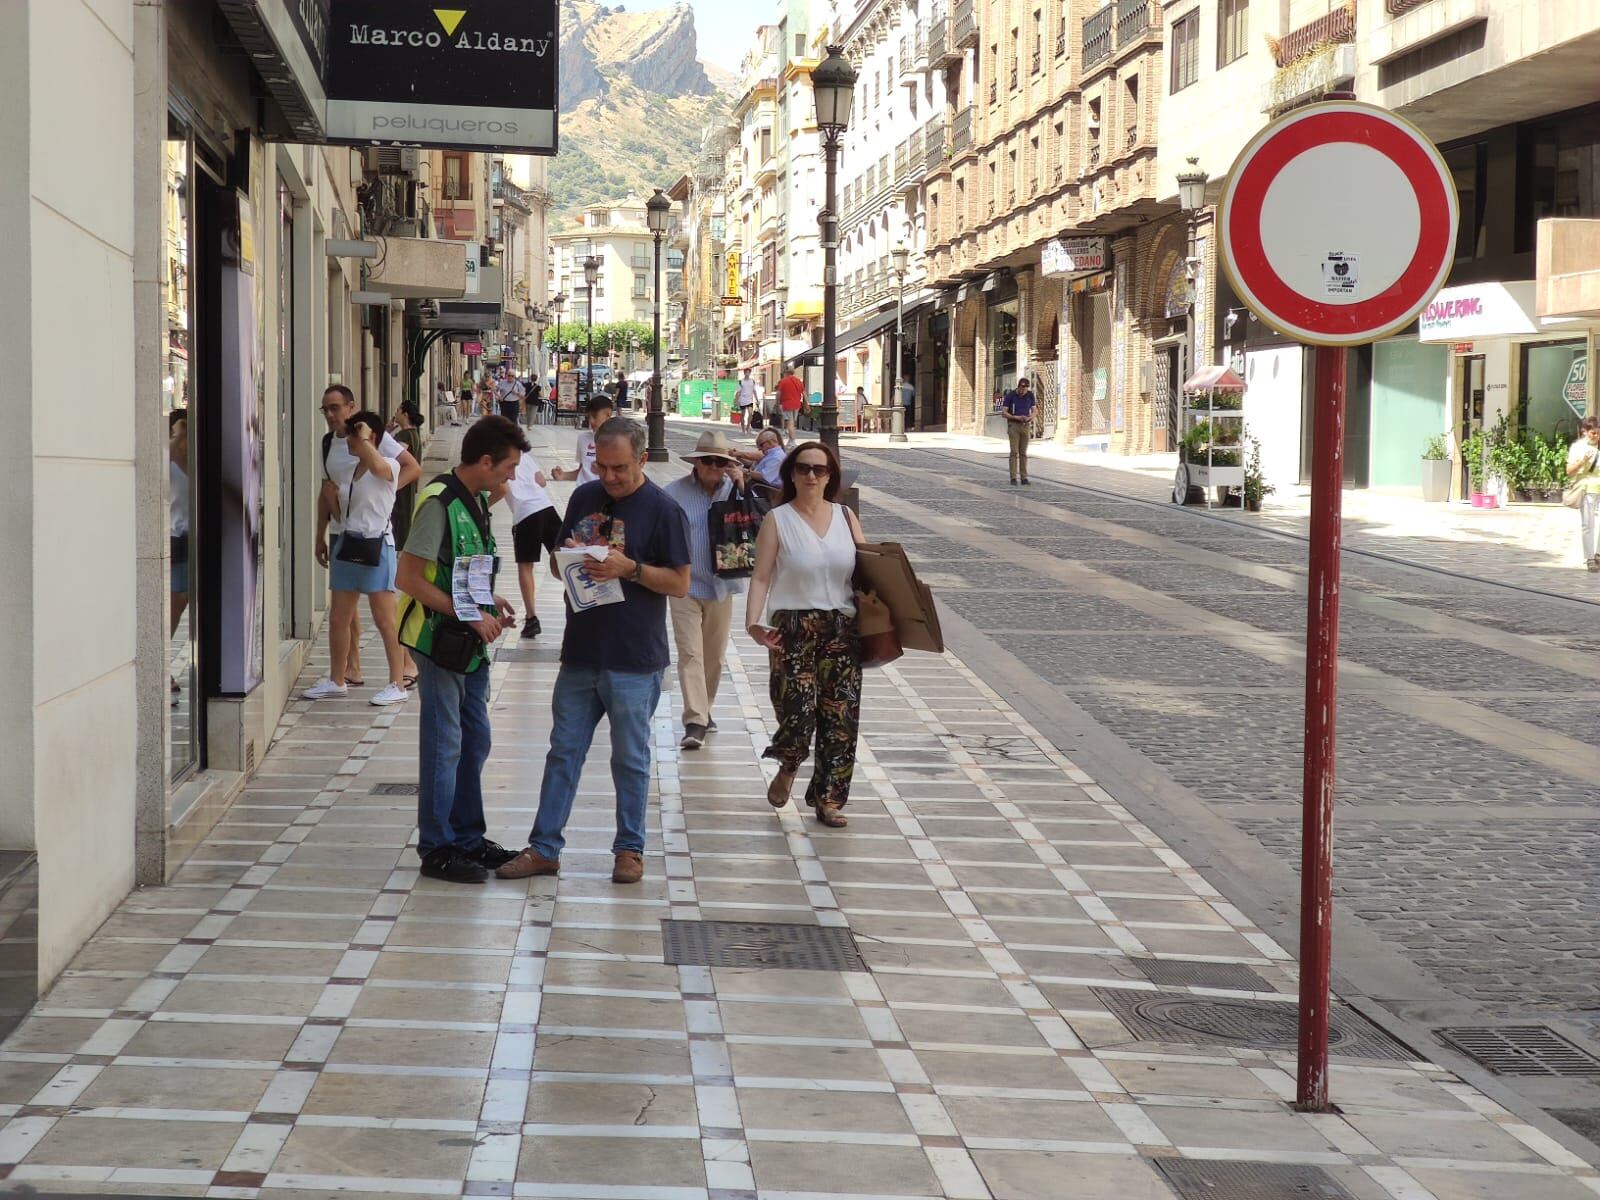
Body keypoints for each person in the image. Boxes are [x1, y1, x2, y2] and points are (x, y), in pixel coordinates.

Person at [497, 418, 692, 886]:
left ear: (642, 460)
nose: (608, 476)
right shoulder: (584, 498)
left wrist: (631, 569)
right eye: (601, 466)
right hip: (581, 651)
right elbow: (555, 560)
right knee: (563, 752)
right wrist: (567, 559)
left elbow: (681, 584)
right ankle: (544, 847)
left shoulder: (664, 510)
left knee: (629, 757)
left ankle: (629, 849)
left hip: (634, 656)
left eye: (619, 468)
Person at [396, 415, 528, 884]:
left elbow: (463, 566)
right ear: (486, 461)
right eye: (508, 467)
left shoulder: (475, 499)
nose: (511, 477)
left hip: (468, 641)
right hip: (440, 641)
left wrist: (490, 600)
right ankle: (437, 847)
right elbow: (408, 578)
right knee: (444, 743)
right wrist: (468, 613)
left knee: (475, 739)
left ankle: (468, 836)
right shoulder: (439, 502)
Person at [745, 441, 865, 828]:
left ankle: (829, 799)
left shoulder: (846, 517)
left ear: (831, 476)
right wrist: (753, 623)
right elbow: (761, 575)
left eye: (820, 469)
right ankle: (790, 763)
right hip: (793, 627)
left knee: (840, 716)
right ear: (791, 474)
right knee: (797, 712)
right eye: (803, 468)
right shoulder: (777, 520)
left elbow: (868, 571)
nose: (811, 475)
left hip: (842, 627)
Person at [310, 386, 422, 698]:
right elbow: (333, 502)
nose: (331, 416)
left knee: (385, 617)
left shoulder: (381, 460)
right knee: (340, 617)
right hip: (347, 539)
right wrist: (321, 530)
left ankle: (399, 680)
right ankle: (341, 677)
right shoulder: (334, 449)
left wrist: (383, 492)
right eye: (326, 410)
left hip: (376, 543)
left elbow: (395, 469)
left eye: (336, 408)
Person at [664, 432, 750, 751]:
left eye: (721, 462)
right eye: (709, 461)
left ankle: (706, 707)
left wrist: (743, 486)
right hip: (684, 584)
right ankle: (695, 720)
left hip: (721, 584)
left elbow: (762, 517)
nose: (715, 467)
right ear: (697, 464)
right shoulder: (673, 494)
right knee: (690, 653)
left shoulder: (737, 490)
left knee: (713, 656)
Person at [505, 443, 561, 638]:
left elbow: (501, 487)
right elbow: (541, 481)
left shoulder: (498, 458)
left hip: (525, 515)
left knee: (526, 567)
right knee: (564, 559)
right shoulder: (524, 454)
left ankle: (531, 619)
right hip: (547, 509)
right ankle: (580, 600)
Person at [168, 409, 190, 703]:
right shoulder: (169, 462)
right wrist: (178, 436)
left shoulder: (196, 462)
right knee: (174, 604)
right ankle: (161, 665)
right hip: (173, 540)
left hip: (194, 540)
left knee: (182, 601)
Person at [551, 393, 615, 485]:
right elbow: (583, 472)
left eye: (594, 416)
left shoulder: (618, 441)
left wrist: (603, 470)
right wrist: (563, 475)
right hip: (583, 492)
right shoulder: (583, 438)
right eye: (589, 417)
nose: (591, 421)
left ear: (608, 415)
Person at [389, 402, 425, 552]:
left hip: (400, 485)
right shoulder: (414, 434)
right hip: (408, 485)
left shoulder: (405, 435)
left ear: (405, 414)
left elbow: (394, 456)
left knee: (399, 520)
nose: (395, 412)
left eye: (398, 410)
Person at [1567, 417, 1600, 571]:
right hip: (1587, 489)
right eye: (1593, 433)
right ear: (1585, 432)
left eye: (1599, 433)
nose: (1596, 436)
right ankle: (1589, 558)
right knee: (1588, 524)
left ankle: (1598, 554)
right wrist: (1582, 461)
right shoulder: (1578, 447)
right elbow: (1569, 471)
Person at [1001, 375, 1037, 486]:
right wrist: (1015, 417)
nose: (1023, 391)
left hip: (1025, 424)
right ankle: (1013, 477)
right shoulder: (1011, 395)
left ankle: (1024, 477)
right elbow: (1004, 412)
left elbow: (1035, 410)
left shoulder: (1030, 395)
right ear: (1018, 387)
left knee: (1023, 452)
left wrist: (1030, 417)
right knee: (1014, 452)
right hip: (1014, 425)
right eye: (1022, 389)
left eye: (1025, 389)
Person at [736, 427, 786, 496]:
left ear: (770, 442)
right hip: (759, 485)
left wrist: (745, 471)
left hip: (765, 489)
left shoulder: (777, 457)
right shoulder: (771, 454)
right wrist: (739, 458)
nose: (759, 448)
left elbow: (764, 476)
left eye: (761, 445)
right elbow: (754, 465)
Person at [776, 365, 805, 445]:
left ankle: (792, 441)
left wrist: (777, 403)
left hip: (787, 404)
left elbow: (779, 393)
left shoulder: (783, 381)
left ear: (785, 372)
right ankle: (790, 439)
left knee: (790, 423)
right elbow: (804, 393)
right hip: (797, 404)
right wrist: (807, 404)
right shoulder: (798, 380)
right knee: (792, 423)